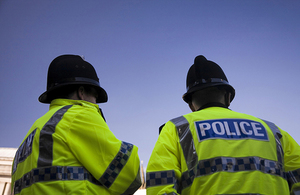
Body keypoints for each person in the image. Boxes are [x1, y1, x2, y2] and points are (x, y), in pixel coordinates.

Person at [146, 55, 300, 195]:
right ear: (228, 97)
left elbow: (159, 186)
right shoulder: (273, 131)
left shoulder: (176, 128)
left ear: (191, 105)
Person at [11, 54, 141, 194]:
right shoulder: (77, 115)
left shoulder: (31, 135)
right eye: (95, 96)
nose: (96, 103)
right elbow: (130, 176)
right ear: (82, 93)